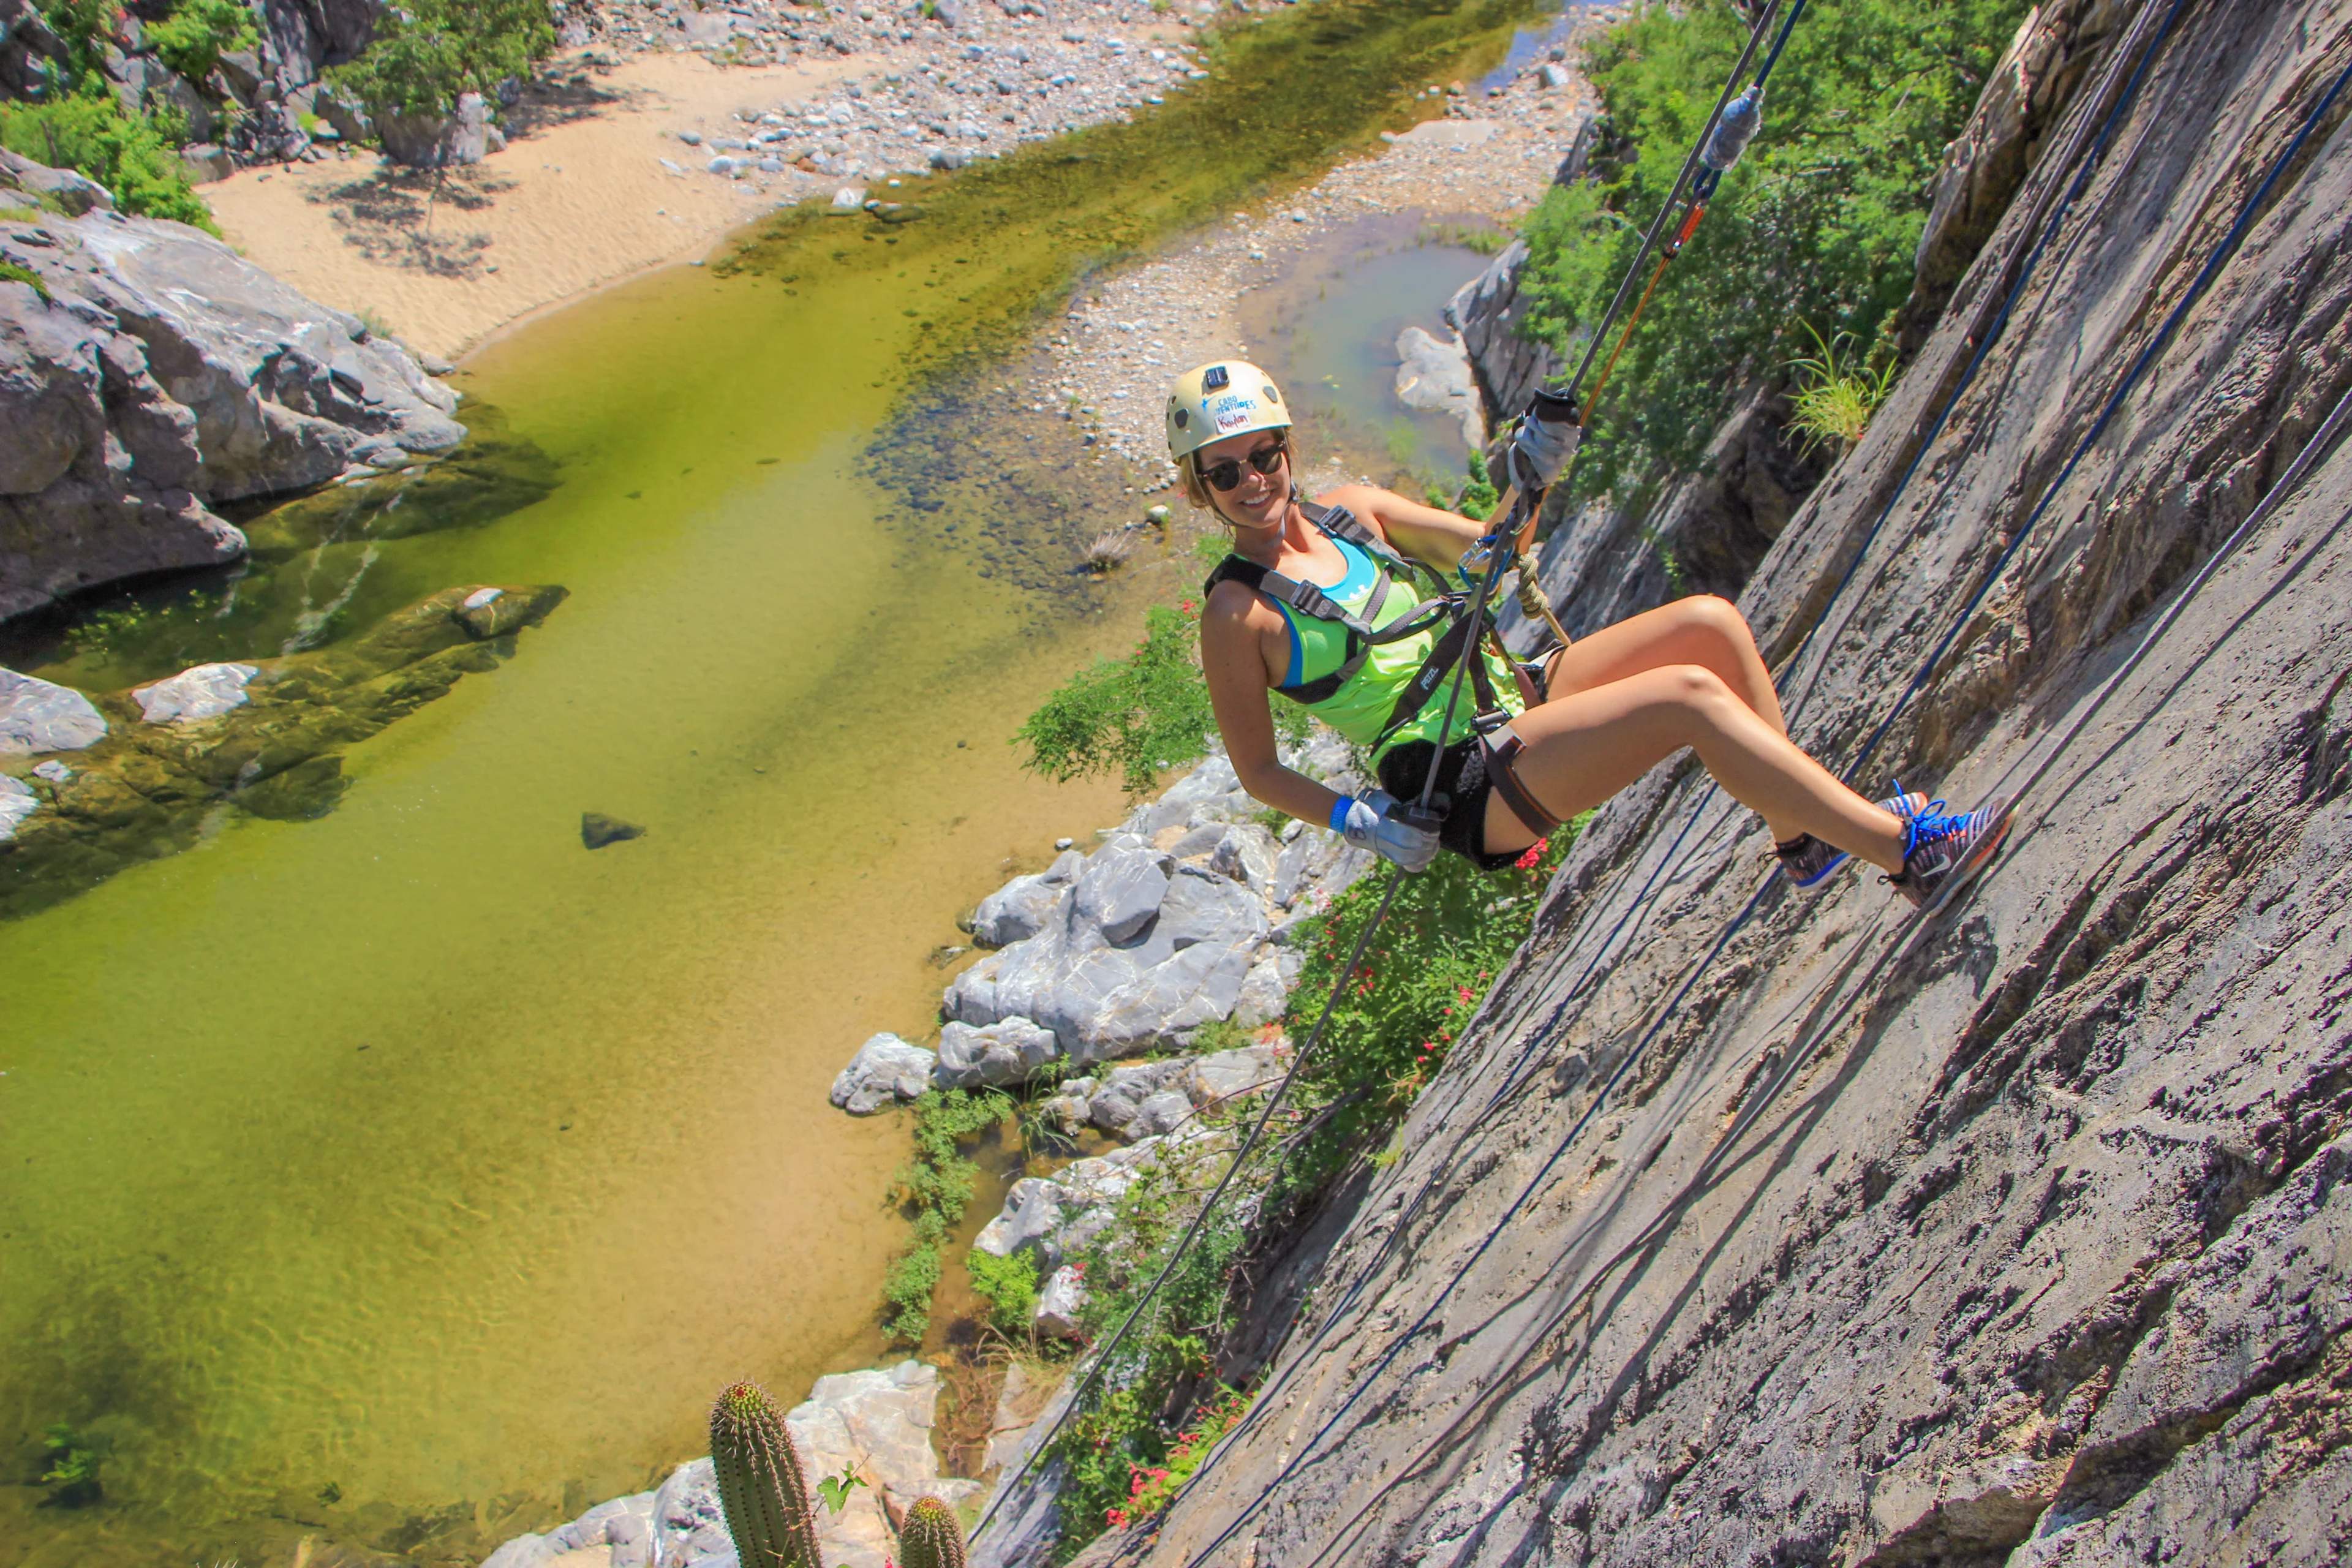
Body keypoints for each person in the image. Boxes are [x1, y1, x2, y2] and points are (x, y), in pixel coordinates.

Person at [1167, 358, 2011, 907]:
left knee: (1710, 625)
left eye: (1264, 456)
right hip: (1461, 779)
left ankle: (1801, 837)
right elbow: (1259, 771)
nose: (1253, 481)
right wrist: (1364, 822)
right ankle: (1907, 854)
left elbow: (1496, 551)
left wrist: (1531, 474)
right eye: (1225, 471)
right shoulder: (1236, 614)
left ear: (1288, 448)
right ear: (1200, 489)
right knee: (1689, 699)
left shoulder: (1357, 513)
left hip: (1512, 694)